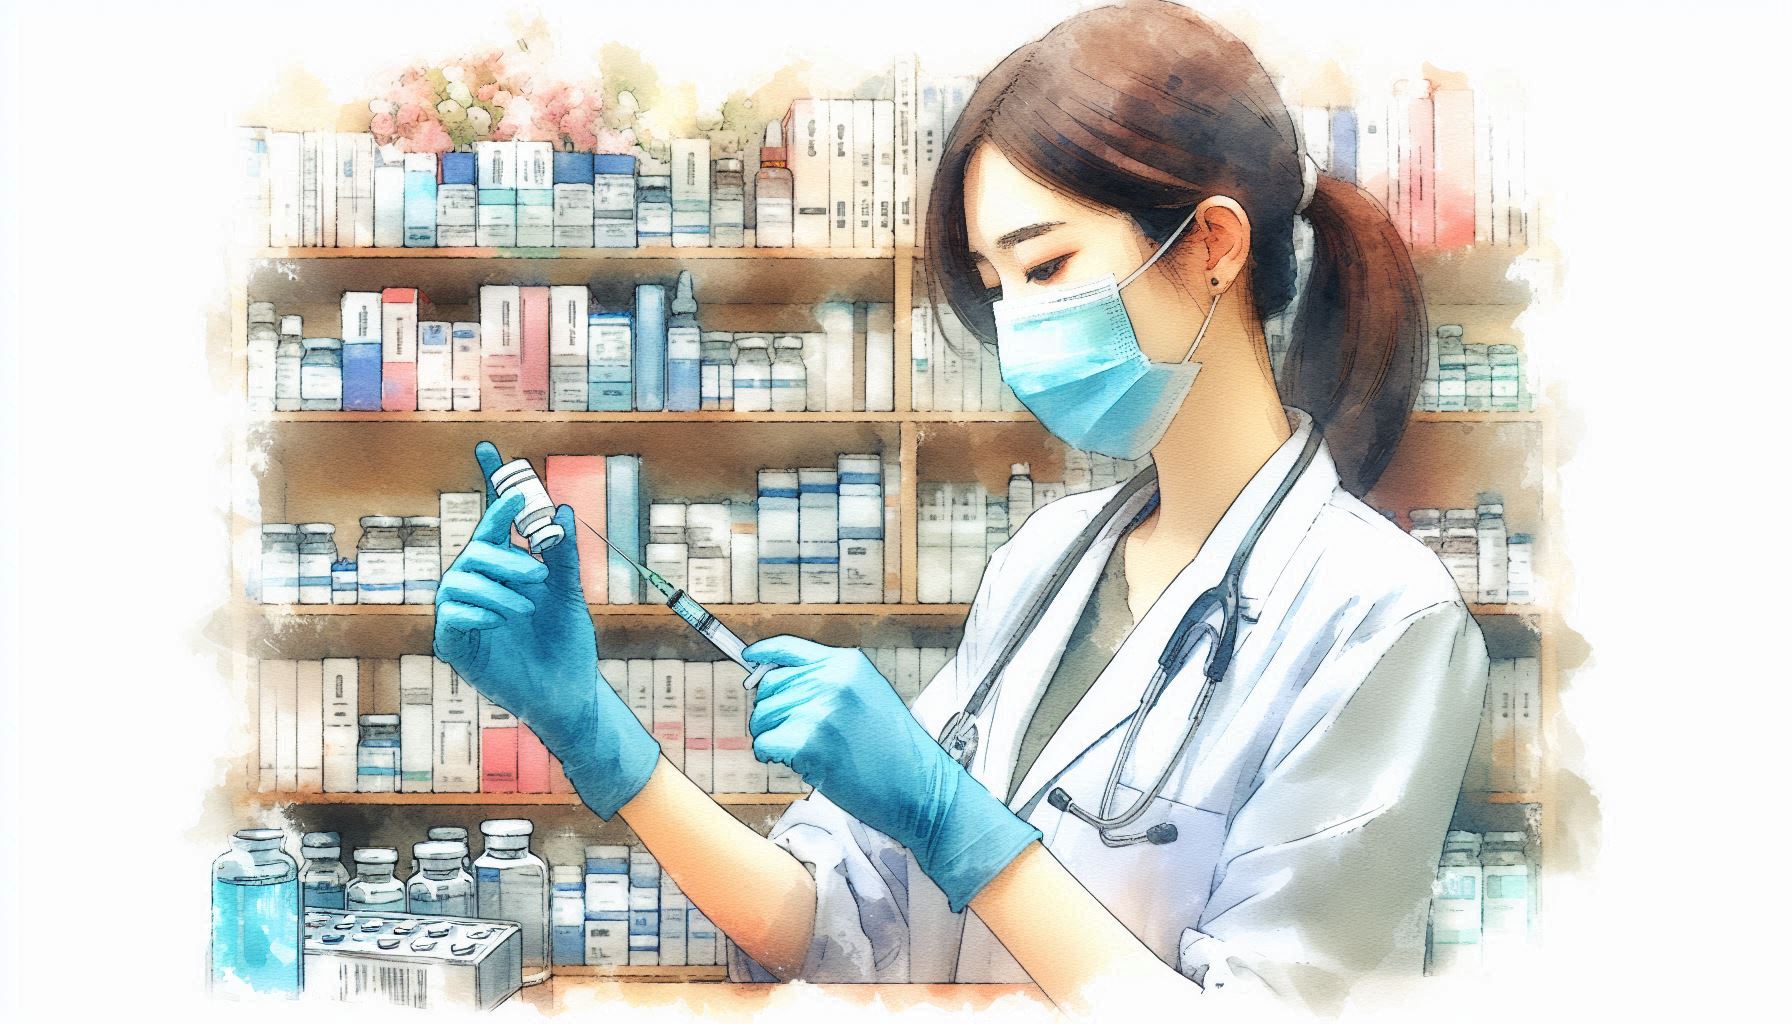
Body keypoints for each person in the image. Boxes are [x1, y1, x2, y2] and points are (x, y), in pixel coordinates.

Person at [432, 2, 1488, 1013]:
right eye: (995, 283)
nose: (1017, 324)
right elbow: (829, 918)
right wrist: (595, 733)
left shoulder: (1380, 622)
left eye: (1047, 265)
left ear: (1212, 245)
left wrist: (956, 825)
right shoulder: (1049, 560)